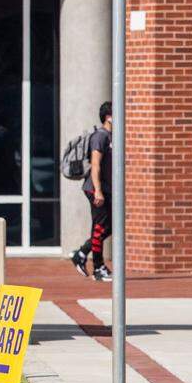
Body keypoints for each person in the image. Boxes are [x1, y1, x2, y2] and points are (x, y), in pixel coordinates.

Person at [70, 102, 113, 282]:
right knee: (100, 227)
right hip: (95, 188)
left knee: (110, 226)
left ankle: (81, 253)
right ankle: (98, 268)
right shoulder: (100, 137)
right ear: (108, 117)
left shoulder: (112, 137)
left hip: (106, 188)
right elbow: (95, 165)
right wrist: (98, 192)